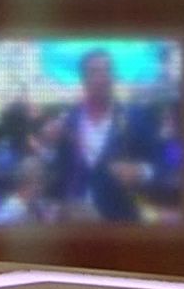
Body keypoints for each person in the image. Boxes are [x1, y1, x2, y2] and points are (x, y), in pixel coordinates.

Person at [33, 49, 169, 222]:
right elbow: (57, 165)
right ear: (83, 80)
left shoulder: (136, 117)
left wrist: (142, 172)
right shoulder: (69, 120)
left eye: (108, 70)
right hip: (74, 218)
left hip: (120, 219)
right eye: (95, 72)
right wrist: (48, 145)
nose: (103, 77)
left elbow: (161, 163)